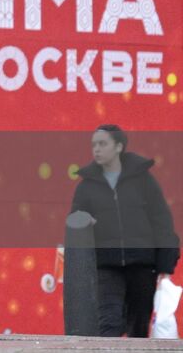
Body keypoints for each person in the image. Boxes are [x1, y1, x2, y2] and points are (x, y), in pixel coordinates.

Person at [70, 124, 179, 337]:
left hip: (142, 264)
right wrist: (82, 221)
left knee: (138, 328)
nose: (97, 149)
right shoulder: (86, 185)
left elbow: (161, 220)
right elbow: (74, 220)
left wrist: (165, 262)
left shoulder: (144, 179)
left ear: (119, 146)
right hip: (105, 265)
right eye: (94, 145)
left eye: (103, 144)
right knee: (108, 323)